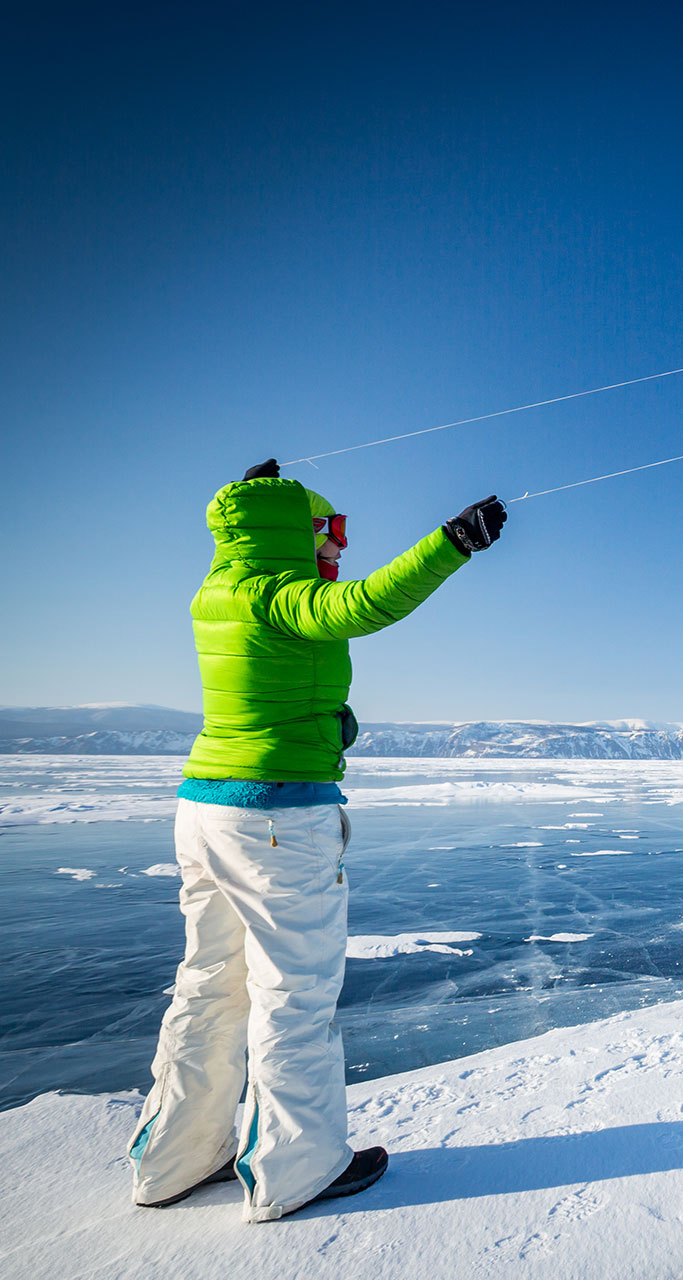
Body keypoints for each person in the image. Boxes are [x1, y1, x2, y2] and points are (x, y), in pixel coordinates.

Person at [128, 459, 508, 1222]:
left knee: (208, 985)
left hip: (205, 806)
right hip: (276, 820)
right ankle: (296, 1169)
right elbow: (363, 606)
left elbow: (273, 587)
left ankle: (173, 1159)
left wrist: (256, 499)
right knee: (292, 995)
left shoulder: (219, 590)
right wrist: (451, 543)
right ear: (293, 537)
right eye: (327, 533)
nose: (337, 548)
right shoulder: (279, 594)